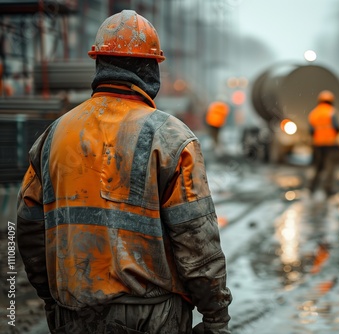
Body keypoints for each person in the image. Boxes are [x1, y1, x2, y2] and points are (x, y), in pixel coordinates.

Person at [16, 10, 232, 334]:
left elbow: (29, 229)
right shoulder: (172, 138)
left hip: (73, 312)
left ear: (99, 64)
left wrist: (53, 298)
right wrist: (215, 316)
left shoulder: (53, 135)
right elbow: (196, 239)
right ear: (150, 68)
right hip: (151, 317)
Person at [307, 90, 339, 197]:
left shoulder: (314, 113)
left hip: (318, 144)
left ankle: (312, 187)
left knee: (318, 167)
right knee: (329, 167)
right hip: (330, 144)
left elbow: (311, 130)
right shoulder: (332, 112)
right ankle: (328, 188)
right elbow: (337, 127)